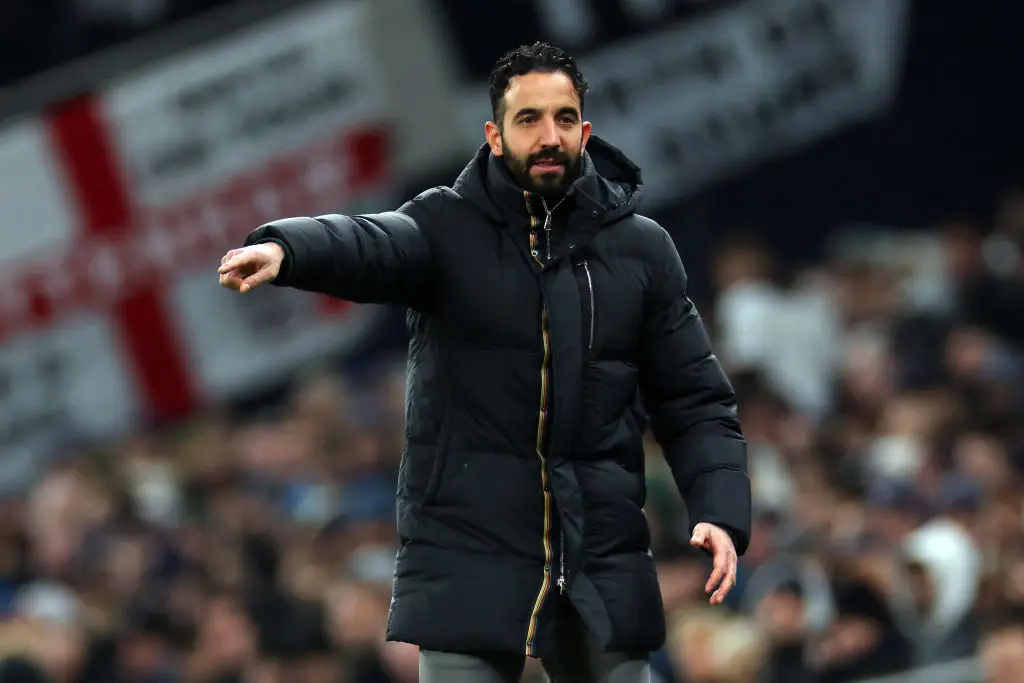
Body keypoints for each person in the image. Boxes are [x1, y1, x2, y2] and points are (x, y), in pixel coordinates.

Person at [218, 41, 751, 683]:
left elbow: (696, 401)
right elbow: (372, 244)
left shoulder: (640, 250)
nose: (548, 136)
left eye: (562, 118)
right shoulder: (444, 226)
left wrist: (719, 509)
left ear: (584, 130)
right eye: (529, 119)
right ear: (495, 136)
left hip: (599, 557)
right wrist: (289, 248)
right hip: (468, 556)